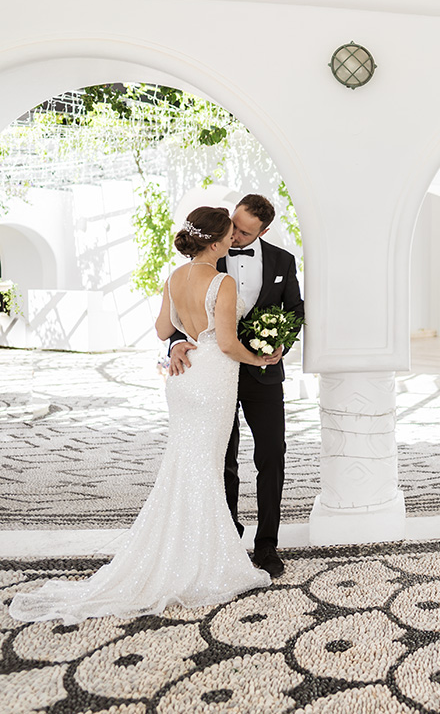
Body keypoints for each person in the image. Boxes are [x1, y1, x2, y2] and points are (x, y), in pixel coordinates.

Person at [10, 207, 275, 623]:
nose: (231, 240)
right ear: (213, 242)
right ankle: (204, 559)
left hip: (183, 380)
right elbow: (226, 343)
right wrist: (261, 359)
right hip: (212, 381)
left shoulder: (175, 277)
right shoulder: (222, 282)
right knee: (204, 467)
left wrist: (182, 342)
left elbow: (162, 330)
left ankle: (185, 551)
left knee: (186, 464)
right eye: (227, 235)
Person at [170, 194, 303, 578]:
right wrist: (175, 343)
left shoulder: (282, 261)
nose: (235, 237)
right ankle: (226, 540)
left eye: (245, 232)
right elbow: (182, 306)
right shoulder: (210, 251)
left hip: (264, 374)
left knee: (272, 456)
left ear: (264, 231)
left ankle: (267, 546)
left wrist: (280, 344)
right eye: (234, 227)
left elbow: (295, 309)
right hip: (215, 374)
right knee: (222, 459)